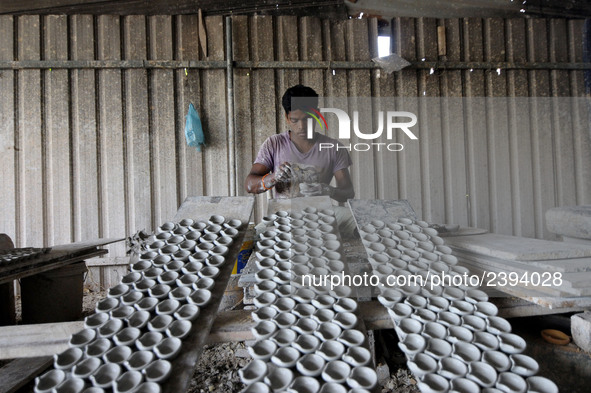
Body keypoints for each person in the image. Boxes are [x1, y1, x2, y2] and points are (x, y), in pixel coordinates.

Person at [245, 84, 357, 238]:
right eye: (295, 120)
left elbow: (348, 193)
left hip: (322, 214)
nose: (302, 126)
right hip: (284, 216)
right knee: (252, 238)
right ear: (286, 117)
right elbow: (250, 185)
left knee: (359, 220)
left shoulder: (333, 147)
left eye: (307, 119)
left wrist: (328, 190)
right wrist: (273, 177)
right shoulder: (274, 143)